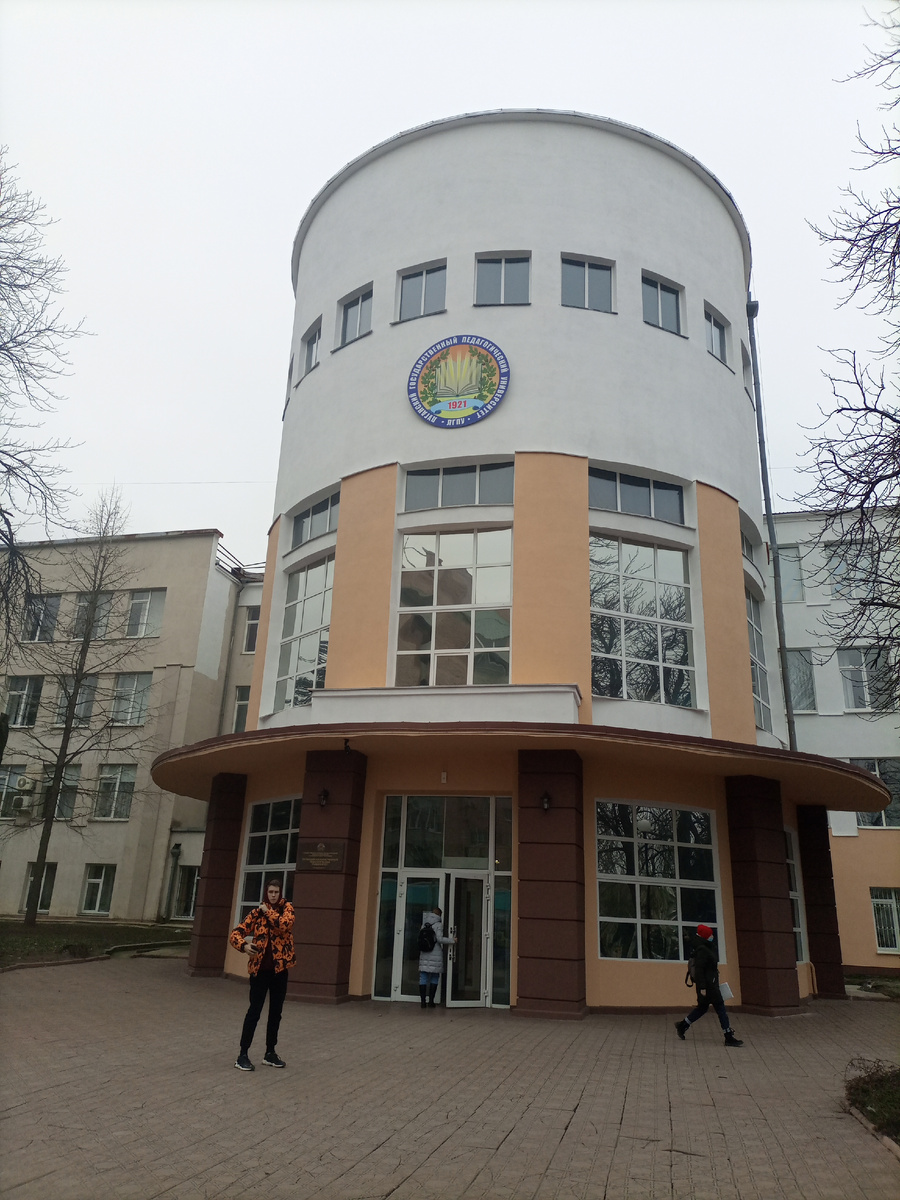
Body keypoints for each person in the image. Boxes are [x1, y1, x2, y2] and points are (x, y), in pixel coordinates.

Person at [229, 877, 296, 1070]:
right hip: (259, 971)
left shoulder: (287, 909)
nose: (273, 895)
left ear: (280, 893)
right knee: (254, 1012)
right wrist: (244, 945)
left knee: (276, 1013)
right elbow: (235, 933)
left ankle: (270, 1053)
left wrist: (268, 911)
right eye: (270, 892)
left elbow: (284, 925)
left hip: (280, 971)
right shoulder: (256, 913)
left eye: (276, 892)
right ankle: (242, 1054)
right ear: (266, 893)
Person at [675, 923, 743, 1047]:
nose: (712, 936)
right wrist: (702, 988)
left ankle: (683, 1025)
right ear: (705, 936)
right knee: (720, 1008)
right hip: (709, 986)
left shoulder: (704, 947)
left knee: (702, 1008)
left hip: (709, 984)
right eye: (710, 935)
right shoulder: (703, 950)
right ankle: (728, 1036)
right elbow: (700, 970)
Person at [418, 906, 455, 1009]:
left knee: (423, 977)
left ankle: (423, 1002)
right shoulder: (438, 924)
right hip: (435, 953)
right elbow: (439, 939)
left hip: (424, 953)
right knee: (434, 977)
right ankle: (431, 1001)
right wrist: (452, 940)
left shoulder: (424, 924)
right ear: (439, 915)